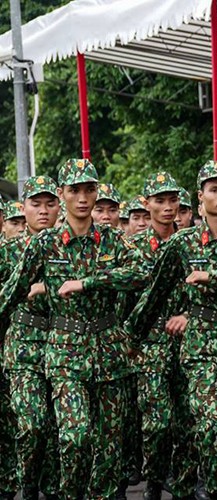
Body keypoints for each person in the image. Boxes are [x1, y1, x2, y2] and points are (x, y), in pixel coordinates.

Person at [0, 158, 150, 499]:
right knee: (74, 436)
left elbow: (142, 273)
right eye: (74, 190)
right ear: (62, 194)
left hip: (110, 351)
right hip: (66, 353)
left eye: (89, 190)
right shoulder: (45, 244)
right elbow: (11, 292)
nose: (83, 198)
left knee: (110, 447)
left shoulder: (111, 240)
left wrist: (90, 282)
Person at [127, 160, 217, 498]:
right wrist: (130, 337)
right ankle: (210, 491)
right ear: (201, 197)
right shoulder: (184, 244)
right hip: (202, 351)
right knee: (212, 427)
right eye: (214, 190)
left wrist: (216, 277)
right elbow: (154, 295)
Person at [128, 172, 197, 499]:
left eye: (173, 201)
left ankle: (182, 486)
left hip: (187, 346)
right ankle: (154, 479)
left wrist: (189, 315)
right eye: (159, 201)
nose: (168, 207)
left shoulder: (190, 244)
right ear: (146, 204)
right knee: (157, 424)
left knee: (187, 426)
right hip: (148, 348)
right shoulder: (132, 248)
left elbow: (205, 296)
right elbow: (121, 298)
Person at [0, 176, 62, 499]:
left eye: (50, 204)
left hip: (64, 344)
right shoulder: (8, 251)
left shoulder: (68, 247)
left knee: (57, 428)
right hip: (23, 345)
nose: (43, 211)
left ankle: (49, 487)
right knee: (32, 423)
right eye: (35, 204)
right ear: (22, 209)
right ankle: (24, 479)